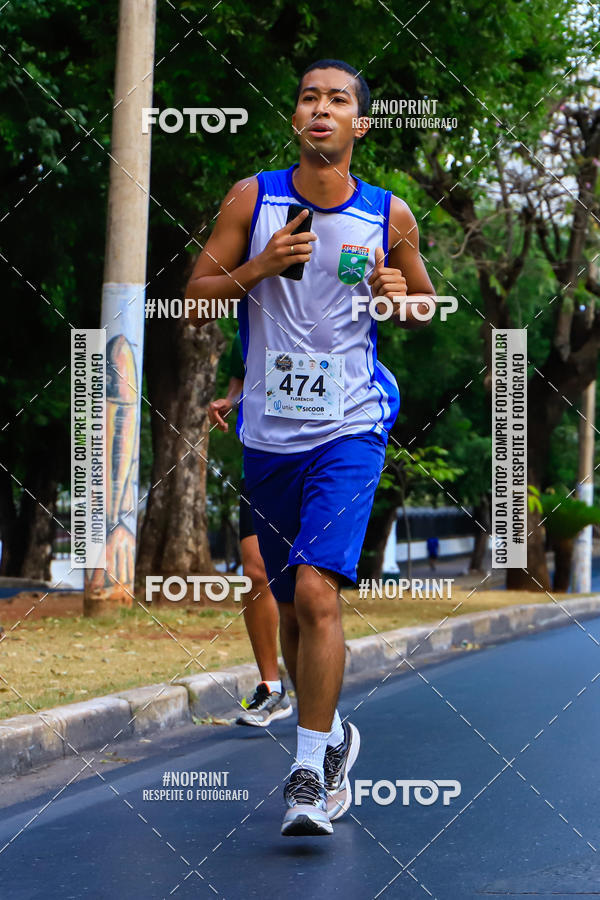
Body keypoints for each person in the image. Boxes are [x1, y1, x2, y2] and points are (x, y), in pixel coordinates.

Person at [187, 58, 435, 837]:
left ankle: (305, 775)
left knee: (320, 593)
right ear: (295, 117)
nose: (321, 109)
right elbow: (193, 294)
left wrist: (406, 297)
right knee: (291, 601)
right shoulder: (251, 199)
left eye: (338, 101)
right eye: (308, 97)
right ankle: (332, 741)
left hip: (352, 424)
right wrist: (257, 268)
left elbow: (425, 303)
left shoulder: (389, 215)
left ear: (360, 125)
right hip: (267, 432)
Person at [208, 333, 292, 727]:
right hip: (263, 460)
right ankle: (271, 687)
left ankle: (316, 682)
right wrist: (230, 400)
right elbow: (241, 377)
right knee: (255, 571)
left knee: (310, 580)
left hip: (324, 457)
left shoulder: (336, 297)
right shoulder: (252, 313)